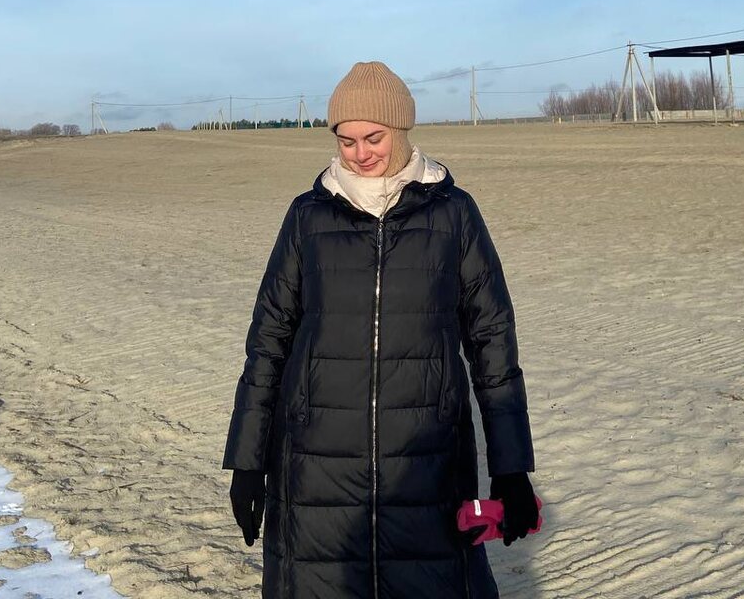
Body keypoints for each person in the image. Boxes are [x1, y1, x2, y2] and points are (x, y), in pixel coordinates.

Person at [223, 61, 538, 598]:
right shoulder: (307, 218)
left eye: (374, 138)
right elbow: (268, 342)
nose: (360, 153)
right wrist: (247, 461)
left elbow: (493, 344)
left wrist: (511, 467)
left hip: (426, 458)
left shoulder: (454, 214)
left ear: (401, 130)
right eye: (346, 141)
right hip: (316, 461)